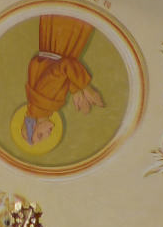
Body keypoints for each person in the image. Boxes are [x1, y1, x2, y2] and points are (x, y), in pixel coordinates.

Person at [21, 14, 103, 147]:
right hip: (56, 40)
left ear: (34, 125)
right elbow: (56, 72)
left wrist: (88, 89)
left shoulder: (44, 98)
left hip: (62, 40)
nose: (48, 135)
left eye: (40, 135)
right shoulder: (39, 102)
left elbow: (64, 66)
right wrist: (75, 90)